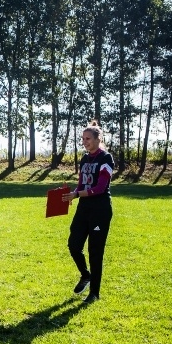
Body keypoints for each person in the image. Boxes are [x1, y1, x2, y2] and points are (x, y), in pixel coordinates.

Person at [62, 120, 115, 304]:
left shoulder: (106, 158)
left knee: (95, 251)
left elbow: (100, 187)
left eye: (88, 138)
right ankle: (86, 275)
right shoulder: (84, 158)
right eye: (83, 139)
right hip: (83, 207)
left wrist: (77, 194)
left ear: (98, 139)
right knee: (73, 244)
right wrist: (73, 195)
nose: (85, 142)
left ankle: (94, 293)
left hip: (100, 209)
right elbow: (82, 183)